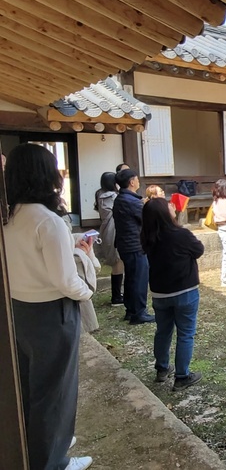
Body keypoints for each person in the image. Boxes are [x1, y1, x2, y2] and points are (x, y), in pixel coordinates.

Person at [4, 143, 94, 470]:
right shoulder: (48, 221)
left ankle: (40, 447)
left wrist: (73, 246)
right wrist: (86, 290)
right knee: (55, 391)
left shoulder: (9, 216)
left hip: (18, 310)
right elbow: (66, 282)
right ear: (46, 175)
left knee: (29, 388)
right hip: (52, 313)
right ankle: (54, 461)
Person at [141, 198, 205, 391]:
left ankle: (161, 369)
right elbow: (199, 250)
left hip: (160, 293)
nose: (172, 205)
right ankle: (182, 376)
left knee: (163, 331)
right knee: (185, 334)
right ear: (164, 212)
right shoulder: (181, 234)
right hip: (185, 291)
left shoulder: (147, 237)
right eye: (168, 204)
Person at [113, 168, 155, 325]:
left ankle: (131, 311)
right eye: (137, 179)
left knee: (131, 278)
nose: (138, 181)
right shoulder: (131, 201)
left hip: (126, 245)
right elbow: (146, 218)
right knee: (139, 279)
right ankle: (139, 313)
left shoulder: (122, 198)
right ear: (131, 182)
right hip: (135, 245)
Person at [95, 171, 124, 306]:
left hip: (106, 229)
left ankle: (118, 294)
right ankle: (116, 297)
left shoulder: (100, 194)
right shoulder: (112, 196)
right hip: (113, 230)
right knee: (117, 262)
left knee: (117, 262)